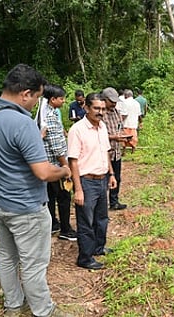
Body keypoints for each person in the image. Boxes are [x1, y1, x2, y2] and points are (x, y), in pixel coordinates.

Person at [0, 64, 73, 317]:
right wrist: (64, 171)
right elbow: (43, 173)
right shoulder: (22, 122)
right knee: (34, 263)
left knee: (6, 256)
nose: (36, 103)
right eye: (37, 97)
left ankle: (13, 305)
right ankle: (44, 311)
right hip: (25, 207)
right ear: (25, 93)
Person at [68, 92, 117, 270]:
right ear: (86, 108)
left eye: (103, 109)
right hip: (86, 181)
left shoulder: (102, 127)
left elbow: (106, 151)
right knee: (85, 221)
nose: (100, 112)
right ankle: (85, 257)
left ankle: (98, 247)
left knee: (101, 217)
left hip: (102, 179)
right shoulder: (77, 130)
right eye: (96, 108)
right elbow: (72, 161)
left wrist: (111, 174)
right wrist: (78, 189)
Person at [42, 84, 77, 241]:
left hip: (47, 164)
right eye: (61, 98)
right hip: (56, 165)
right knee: (64, 196)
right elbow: (57, 146)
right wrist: (65, 166)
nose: (64, 101)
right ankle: (65, 228)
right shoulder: (50, 116)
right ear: (52, 99)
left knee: (50, 196)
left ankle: (52, 225)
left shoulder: (45, 113)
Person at [101, 87, 129, 211]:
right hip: (103, 154)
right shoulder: (100, 114)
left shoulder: (116, 112)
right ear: (104, 99)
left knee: (116, 178)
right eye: (112, 101)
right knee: (103, 181)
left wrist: (123, 137)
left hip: (116, 152)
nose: (114, 104)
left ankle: (114, 201)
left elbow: (119, 128)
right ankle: (100, 206)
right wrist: (114, 137)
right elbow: (98, 135)